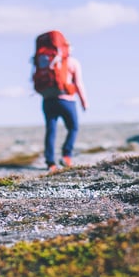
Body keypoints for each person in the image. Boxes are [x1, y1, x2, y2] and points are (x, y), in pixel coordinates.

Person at [33, 31, 89, 172]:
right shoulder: (72, 62)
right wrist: (84, 102)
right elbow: (78, 83)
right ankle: (66, 155)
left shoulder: (43, 61)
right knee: (73, 127)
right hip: (66, 101)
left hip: (47, 100)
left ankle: (50, 163)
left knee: (51, 130)